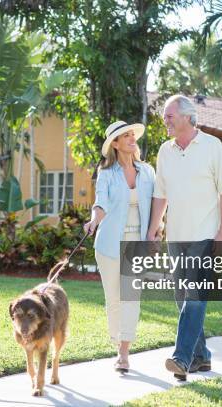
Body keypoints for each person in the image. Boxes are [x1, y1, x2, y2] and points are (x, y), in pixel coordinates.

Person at [146, 95, 222, 380]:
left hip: (205, 235)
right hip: (176, 237)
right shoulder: (165, 151)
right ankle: (201, 357)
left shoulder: (212, 147)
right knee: (181, 297)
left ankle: (182, 359)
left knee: (195, 296)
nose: (165, 120)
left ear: (187, 116)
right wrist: (153, 228)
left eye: (170, 115)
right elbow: (160, 193)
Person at [84, 120, 155, 373]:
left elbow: (158, 204)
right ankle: (117, 344)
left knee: (131, 297)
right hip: (109, 243)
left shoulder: (147, 171)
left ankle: (124, 353)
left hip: (137, 244)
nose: (131, 138)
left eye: (132, 134)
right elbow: (100, 202)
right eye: (125, 136)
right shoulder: (106, 173)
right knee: (113, 299)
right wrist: (93, 220)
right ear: (115, 144)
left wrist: (156, 231)